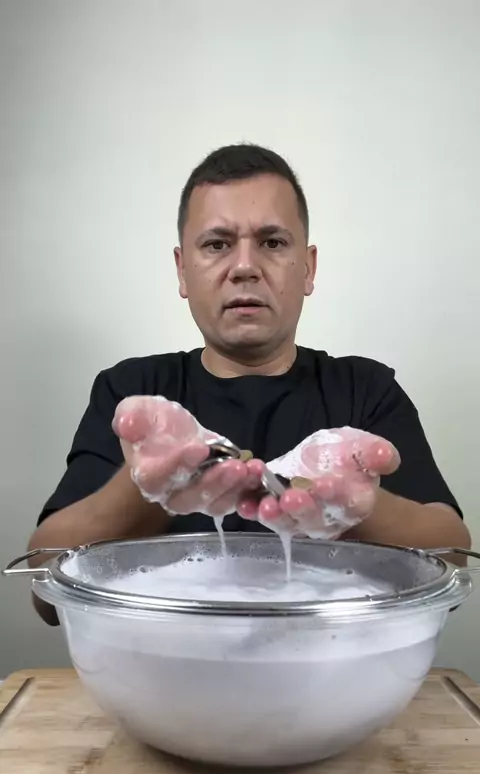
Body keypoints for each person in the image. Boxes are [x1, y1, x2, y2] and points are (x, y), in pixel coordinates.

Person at [29, 144, 470, 599]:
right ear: (182, 271)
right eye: (217, 244)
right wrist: (148, 486)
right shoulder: (132, 393)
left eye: (272, 243)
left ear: (308, 268)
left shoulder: (366, 391)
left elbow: (452, 557)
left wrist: (358, 506)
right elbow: (44, 582)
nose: (244, 267)